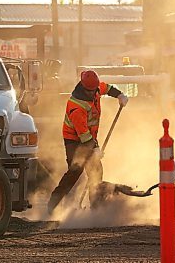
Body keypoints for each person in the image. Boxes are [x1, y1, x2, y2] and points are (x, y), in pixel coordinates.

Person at [47, 70, 128, 214]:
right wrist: (95, 148)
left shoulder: (96, 88)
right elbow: (83, 135)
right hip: (74, 140)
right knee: (75, 171)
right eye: (89, 91)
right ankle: (53, 205)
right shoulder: (76, 106)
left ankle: (96, 208)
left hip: (89, 138)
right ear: (83, 88)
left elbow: (107, 88)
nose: (93, 94)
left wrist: (119, 95)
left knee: (96, 171)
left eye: (94, 91)